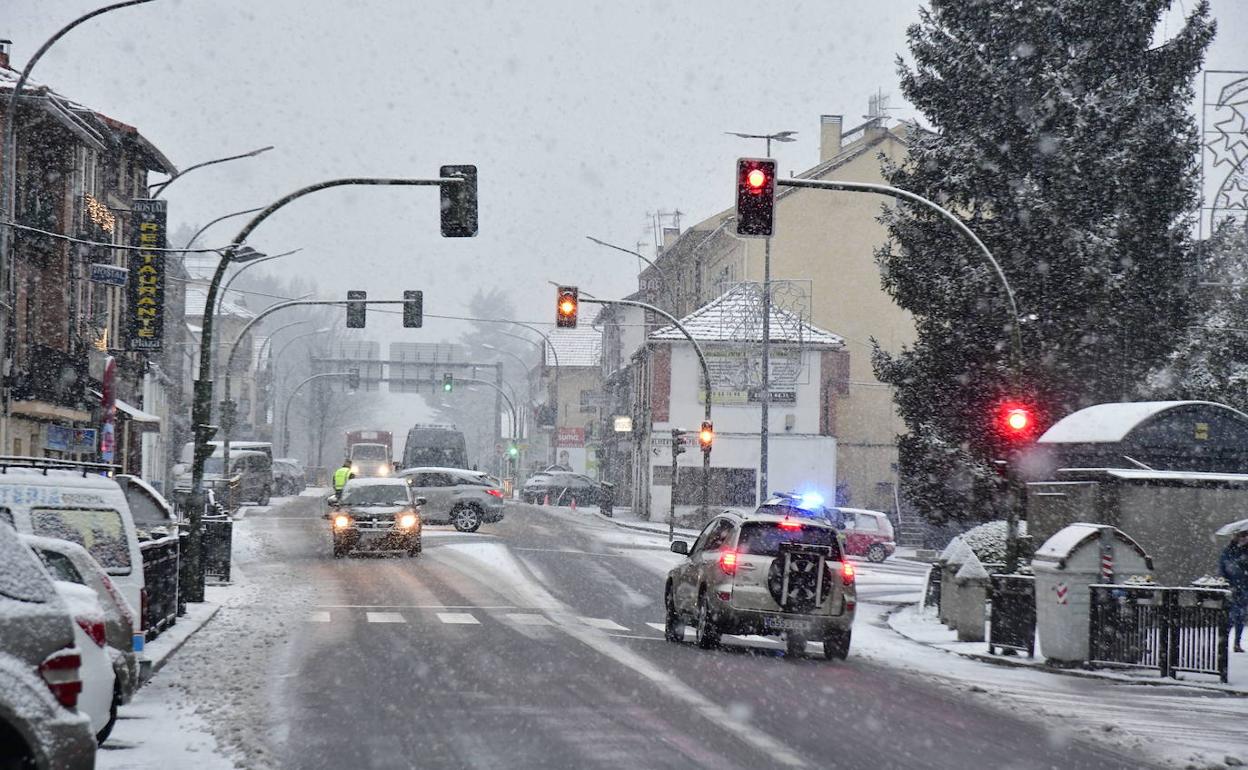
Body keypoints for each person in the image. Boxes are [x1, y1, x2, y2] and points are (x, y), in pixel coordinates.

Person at [1219, 531, 1248, 653]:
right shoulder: (1229, 551)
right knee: (1231, 616)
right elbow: (1224, 566)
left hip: (1244, 587)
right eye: (1242, 536)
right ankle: (1224, 642)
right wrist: (1226, 581)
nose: (1244, 538)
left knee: (1240, 616)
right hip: (1233, 587)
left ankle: (1236, 643)